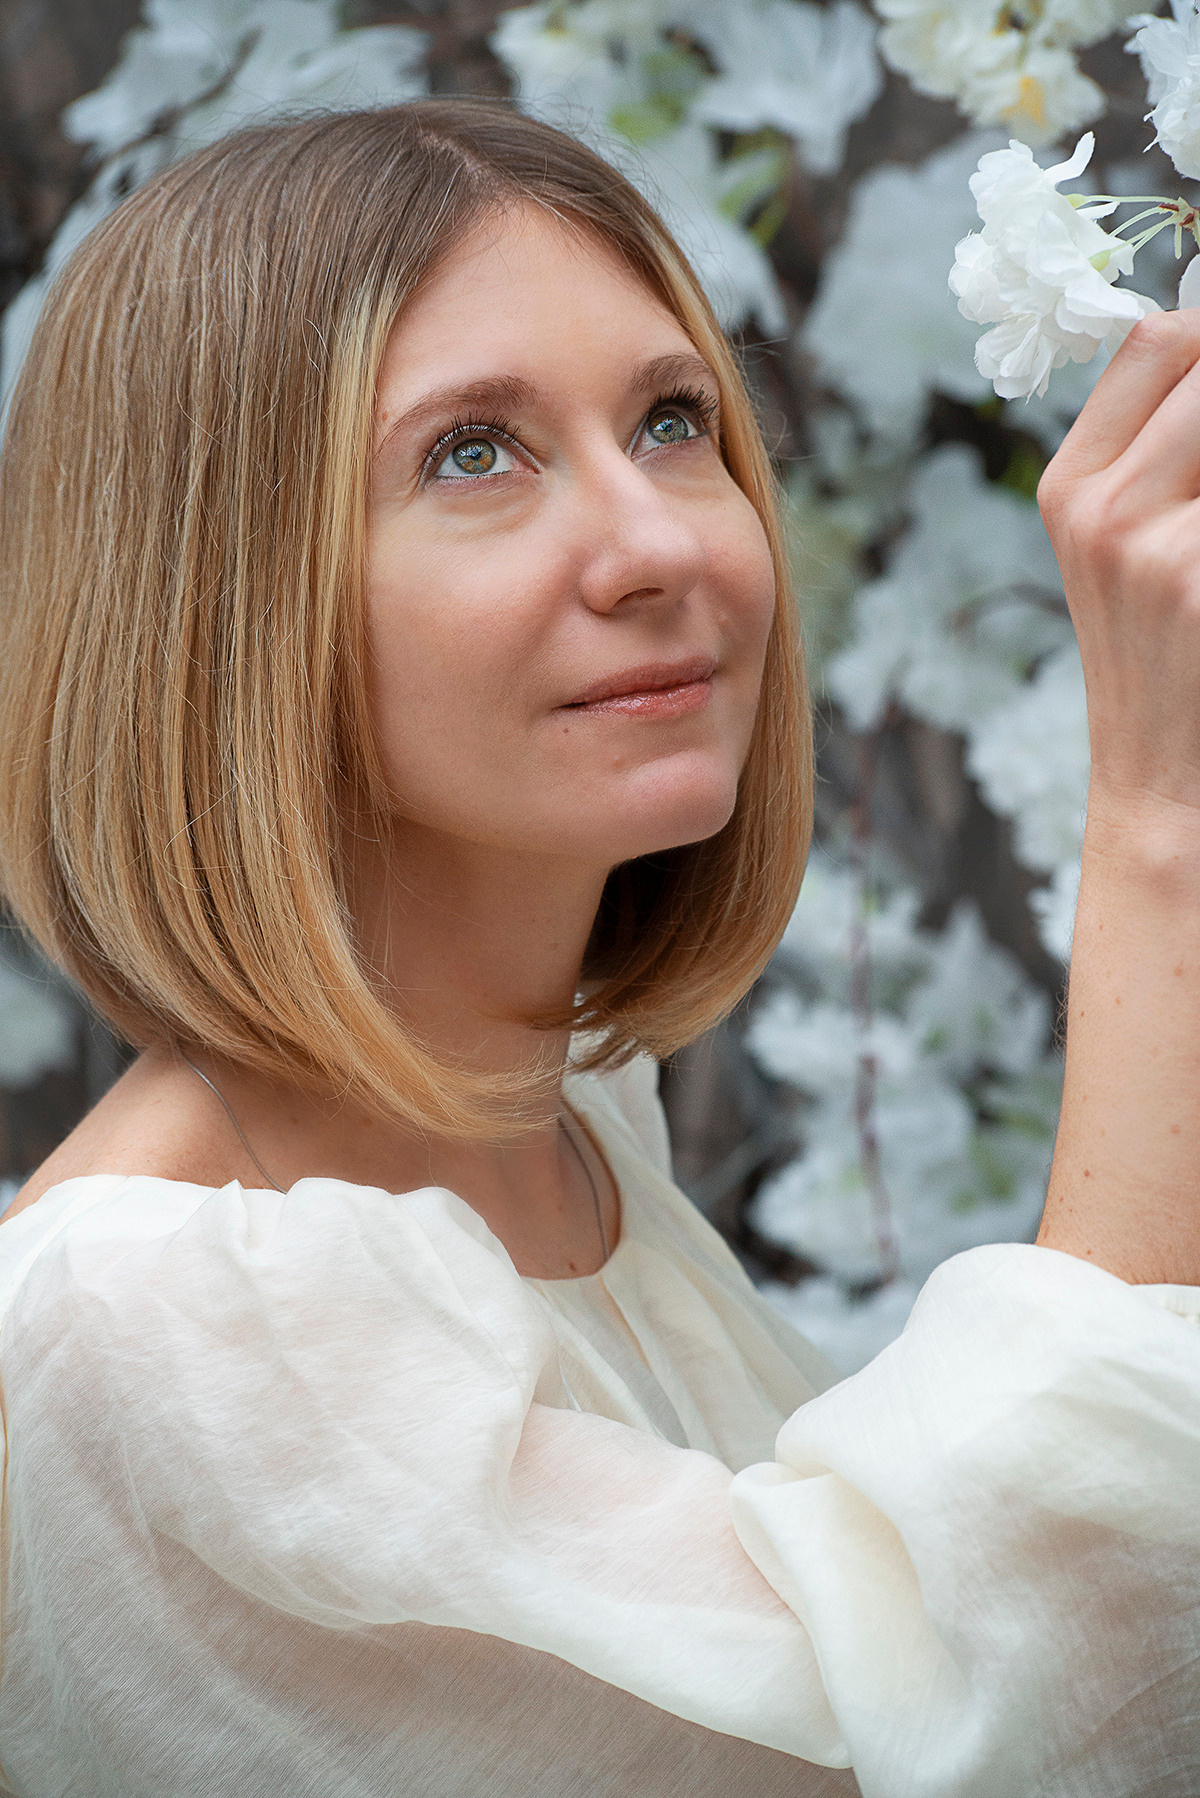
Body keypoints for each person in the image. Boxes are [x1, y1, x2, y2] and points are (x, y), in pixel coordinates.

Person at [0, 98, 1194, 1798]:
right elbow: (941, 1740)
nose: (662, 545)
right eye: (472, 452)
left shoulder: (562, 1121)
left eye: (673, 419)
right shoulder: (149, 1333)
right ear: (218, 597)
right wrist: (1165, 823)